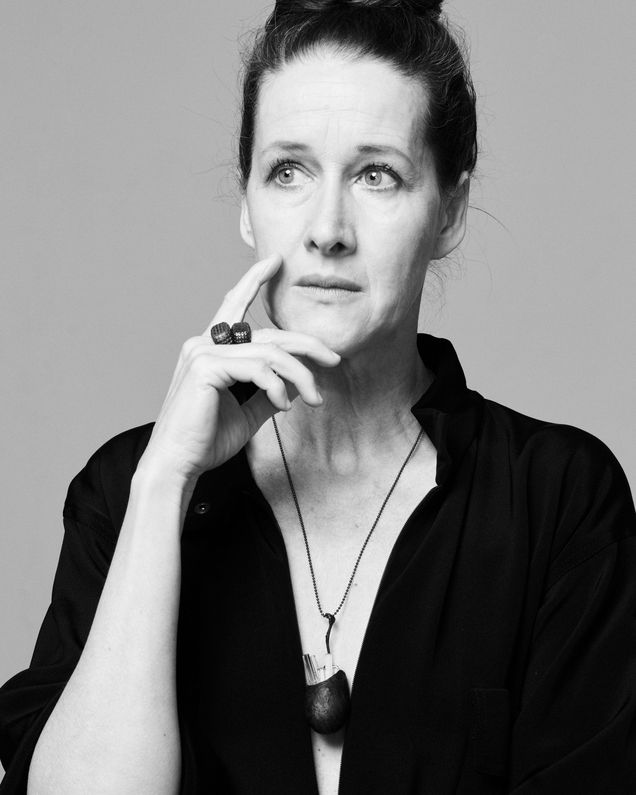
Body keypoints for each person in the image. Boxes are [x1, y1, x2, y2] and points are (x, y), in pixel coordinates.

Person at [1, 0, 635, 792]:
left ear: (449, 210)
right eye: (288, 171)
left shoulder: (558, 499)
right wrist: (163, 486)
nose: (327, 228)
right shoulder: (127, 489)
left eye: (377, 174)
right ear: (247, 203)